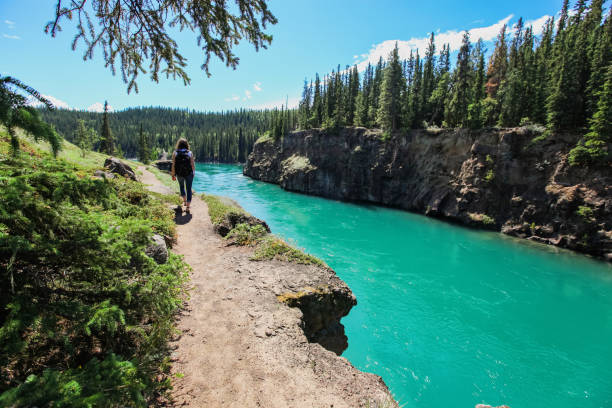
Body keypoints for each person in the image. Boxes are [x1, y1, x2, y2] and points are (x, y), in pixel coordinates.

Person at [170, 138, 196, 213]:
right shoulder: (189, 153)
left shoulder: (175, 152)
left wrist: (173, 174)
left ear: (178, 144)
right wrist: (193, 172)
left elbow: (173, 164)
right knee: (189, 189)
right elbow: (192, 164)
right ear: (187, 145)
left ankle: (184, 201)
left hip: (179, 173)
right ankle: (188, 207)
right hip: (189, 173)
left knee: (181, 186)